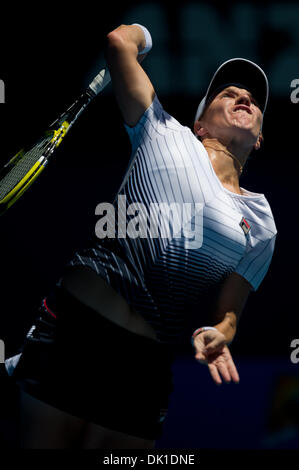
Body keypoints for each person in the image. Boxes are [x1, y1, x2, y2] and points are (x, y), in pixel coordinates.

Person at [4, 23, 277, 449]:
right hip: (77, 329)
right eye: (228, 93)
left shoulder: (260, 221)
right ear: (200, 122)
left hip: (143, 367)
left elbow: (231, 311)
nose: (243, 97)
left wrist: (223, 332)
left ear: (259, 138)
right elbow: (118, 43)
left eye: (254, 100)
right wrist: (145, 36)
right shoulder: (162, 130)